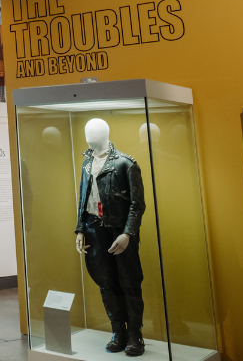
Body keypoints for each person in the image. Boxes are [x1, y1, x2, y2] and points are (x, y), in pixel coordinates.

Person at [75, 119, 146, 357]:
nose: (89, 135)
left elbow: (137, 205)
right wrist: (80, 229)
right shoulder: (87, 164)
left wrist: (128, 233)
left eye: (93, 131)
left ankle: (135, 334)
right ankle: (118, 331)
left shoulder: (126, 164)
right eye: (87, 131)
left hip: (119, 230)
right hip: (95, 230)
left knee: (129, 282)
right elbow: (83, 200)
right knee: (105, 283)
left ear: (105, 133)